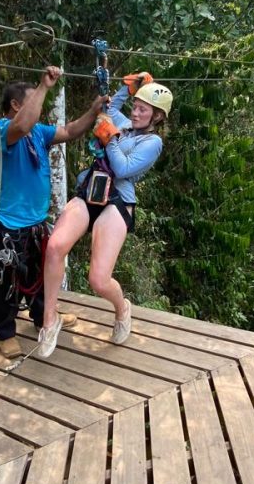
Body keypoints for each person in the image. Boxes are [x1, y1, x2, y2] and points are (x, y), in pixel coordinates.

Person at [37, 72, 172, 359]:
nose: (135, 113)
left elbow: (123, 169)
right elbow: (109, 109)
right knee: (55, 247)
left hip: (118, 200)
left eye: (143, 110)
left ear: (157, 117)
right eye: (135, 107)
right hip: (92, 189)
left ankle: (122, 308)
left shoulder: (152, 142)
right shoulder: (125, 124)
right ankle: (50, 320)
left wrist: (109, 138)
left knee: (98, 280)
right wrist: (127, 88)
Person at [0, 66, 104, 358]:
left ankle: (43, 318)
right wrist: (44, 85)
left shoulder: (38, 132)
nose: (40, 106)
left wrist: (93, 111)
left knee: (40, 276)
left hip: (35, 222)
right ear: (16, 105)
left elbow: (70, 130)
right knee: (6, 280)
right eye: (34, 100)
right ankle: (4, 332)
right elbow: (22, 125)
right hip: (7, 223)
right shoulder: (1, 131)